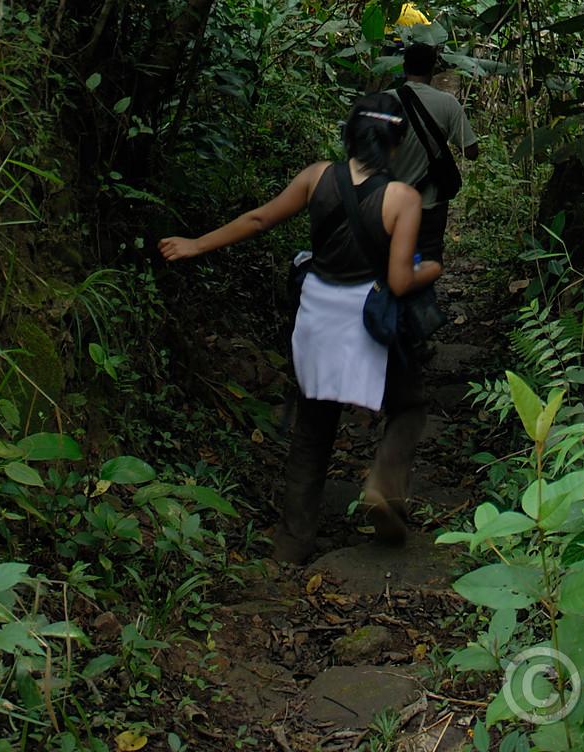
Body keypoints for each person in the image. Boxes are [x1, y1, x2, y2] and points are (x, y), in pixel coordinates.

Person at [158, 91, 442, 562]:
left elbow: (258, 219)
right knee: (408, 406)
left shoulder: (316, 177)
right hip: (366, 325)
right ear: (395, 144)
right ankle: (385, 488)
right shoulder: (403, 199)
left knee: (313, 426)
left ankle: (292, 540)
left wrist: (195, 244)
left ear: (350, 135)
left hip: (317, 319)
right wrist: (429, 270)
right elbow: (397, 279)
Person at [390, 36, 479, 266]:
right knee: (427, 260)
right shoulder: (447, 103)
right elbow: (471, 151)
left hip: (390, 202)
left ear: (404, 67)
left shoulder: (382, 103)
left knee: (390, 260)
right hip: (430, 203)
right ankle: (423, 296)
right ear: (433, 69)